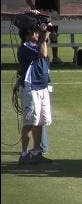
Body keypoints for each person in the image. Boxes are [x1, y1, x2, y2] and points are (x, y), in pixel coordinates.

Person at [17, 13, 53, 165]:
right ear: (27, 34)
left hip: (43, 87)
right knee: (30, 121)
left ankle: (37, 151)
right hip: (31, 88)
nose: (38, 34)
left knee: (40, 121)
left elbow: (44, 52)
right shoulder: (25, 47)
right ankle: (24, 153)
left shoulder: (36, 44)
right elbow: (43, 53)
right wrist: (44, 36)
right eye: (35, 32)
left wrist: (45, 24)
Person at [24, 0, 62, 65]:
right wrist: (33, 8)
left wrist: (33, 8)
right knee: (45, 36)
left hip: (48, 12)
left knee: (50, 36)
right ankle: (46, 57)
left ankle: (49, 57)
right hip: (44, 13)